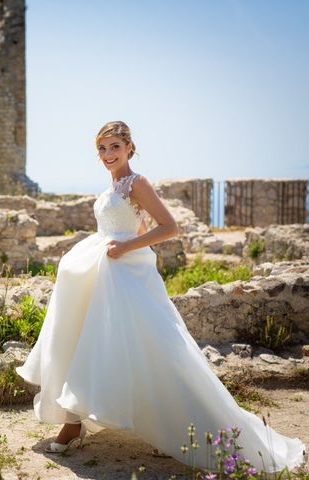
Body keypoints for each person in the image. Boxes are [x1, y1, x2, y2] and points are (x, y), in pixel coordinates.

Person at [15, 121, 306, 473]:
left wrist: (126, 247)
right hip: (102, 270)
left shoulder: (137, 183)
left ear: (129, 148)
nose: (108, 155)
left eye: (115, 147)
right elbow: (133, 223)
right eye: (102, 149)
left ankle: (174, 430)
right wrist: (119, 243)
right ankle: (73, 423)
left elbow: (169, 227)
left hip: (125, 273)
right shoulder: (112, 186)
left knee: (155, 349)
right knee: (86, 342)